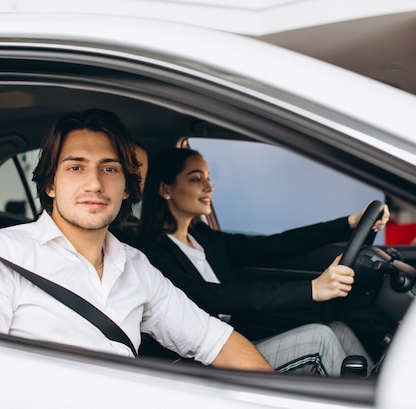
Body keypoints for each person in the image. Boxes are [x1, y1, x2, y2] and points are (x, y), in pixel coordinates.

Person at [0, 109, 272, 372]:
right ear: (50, 185)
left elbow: (215, 341)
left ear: (126, 188)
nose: (94, 183)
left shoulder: (136, 266)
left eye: (109, 169)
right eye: (75, 168)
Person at [137, 147, 390, 376]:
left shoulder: (203, 237)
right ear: (165, 189)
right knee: (320, 338)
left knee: (339, 329)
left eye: (208, 178)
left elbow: (274, 245)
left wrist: (348, 223)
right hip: (206, 361)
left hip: (241, 340)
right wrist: (312, 289)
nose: (209, 187)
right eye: (196, 179)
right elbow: (210, 296)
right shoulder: (152, 252)